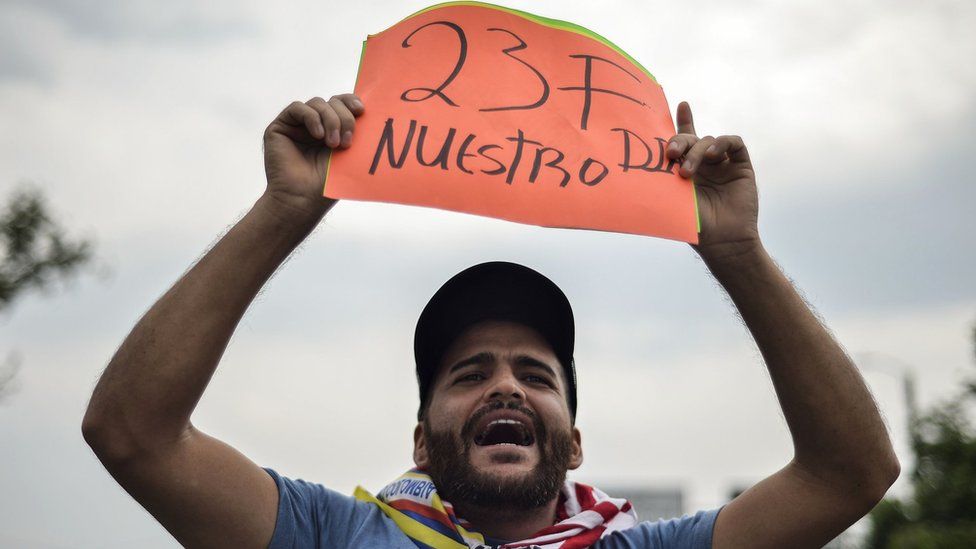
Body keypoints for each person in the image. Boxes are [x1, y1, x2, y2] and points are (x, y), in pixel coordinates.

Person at [82, 93, 900, 548]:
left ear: (572, 441)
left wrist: (738, 252)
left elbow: (851, 474)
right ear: (420, 438)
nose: (504, 381)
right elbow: (133, 434)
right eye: (469, 373)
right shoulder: (328, 533)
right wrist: (286, 208)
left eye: (535, 374)